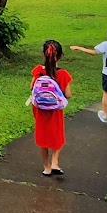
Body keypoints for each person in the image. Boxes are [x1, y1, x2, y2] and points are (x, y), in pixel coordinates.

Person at [29, 38, 72, 176]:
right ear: (60, 56)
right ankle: (55, 162)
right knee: (57, 135)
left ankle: (46, 167)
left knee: (42, 136)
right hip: (55, 111)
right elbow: (68, 94)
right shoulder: (63, 74)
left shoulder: (38, 71)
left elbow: (31, 87)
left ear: (44, 54)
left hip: (40, 110)